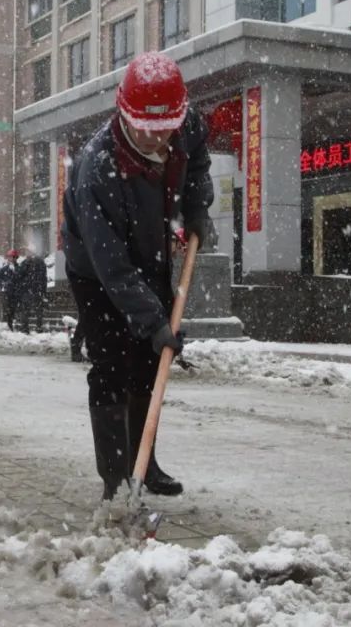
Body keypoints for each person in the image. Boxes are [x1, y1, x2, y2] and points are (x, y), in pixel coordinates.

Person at [61, 52, 213, 501]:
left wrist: (196, 208)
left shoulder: (185, 124)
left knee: (151, 360)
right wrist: (153, 321)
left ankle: (144, 463)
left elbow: (198, 162)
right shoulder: (97, 169)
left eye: (165, 127)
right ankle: (116, 478)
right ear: (124, 113)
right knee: (111, 364)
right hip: (95, 269)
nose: (156, 136)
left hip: (152, 248)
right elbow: (112, 267)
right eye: (145, 127)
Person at [16, 250, 47, 334]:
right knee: (32, 310)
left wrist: (43, 290)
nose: (28, 254)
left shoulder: (38, 263)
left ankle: (30, 328)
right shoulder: (28, 263)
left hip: (32, 289)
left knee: (33, 310)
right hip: (31, 290)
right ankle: (31, 328)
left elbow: (43, 277)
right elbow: (19, 275)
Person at [0, 249, 20, 331]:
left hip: (17, 293)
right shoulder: (4, 269)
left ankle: (16, 324)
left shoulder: (19, 268)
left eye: (13, 257)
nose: (12, 259)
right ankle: (9, 325)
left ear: (16, 258)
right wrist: (1, 286)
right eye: (10, 257)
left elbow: (22, 279)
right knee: (8, 310)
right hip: (8, 293)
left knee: (16, 310)